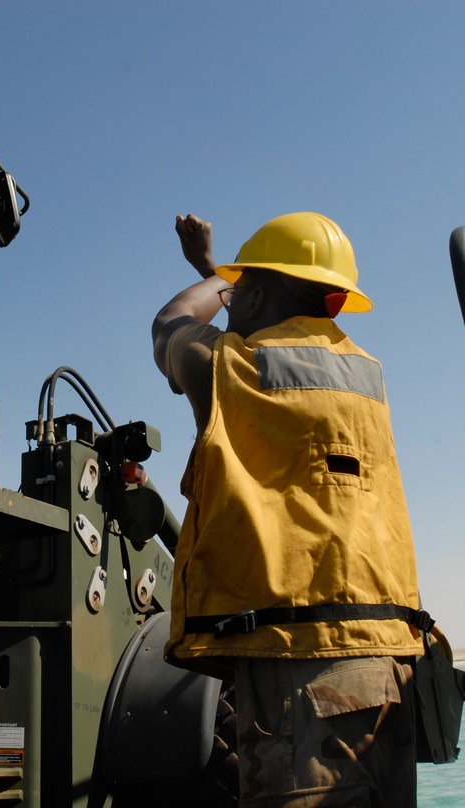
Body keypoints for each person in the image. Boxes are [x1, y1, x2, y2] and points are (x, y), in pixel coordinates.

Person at [151, 212, 425, 806]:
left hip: (303, 673)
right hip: (393, 665)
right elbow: (279, 331)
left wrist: (214, 277)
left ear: (256, 292)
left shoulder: (232, 369)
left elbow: (168, 324)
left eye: (243, 285)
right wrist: (237, 279)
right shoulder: (366, 380)